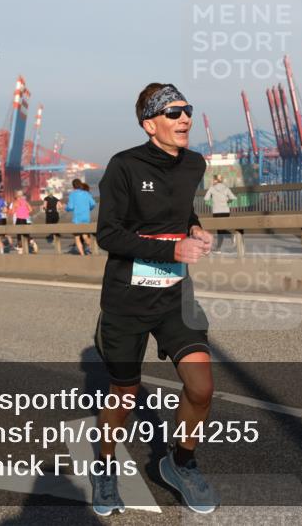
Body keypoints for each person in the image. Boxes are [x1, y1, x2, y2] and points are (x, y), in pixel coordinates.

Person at [91, 83, 217, 516]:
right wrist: (172, 249)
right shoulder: (123, 166)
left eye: (187, 110)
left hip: (174, 298)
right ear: (150, 124)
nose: (185, 119)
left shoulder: (195, 164)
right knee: (124, 393)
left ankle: (179, 461)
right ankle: (105, 466)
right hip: (127, 300)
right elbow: (108, 233)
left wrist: (195, 229)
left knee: (201, 387)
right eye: (173, 113)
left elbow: (180, 212)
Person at [204, 175, 237, 252]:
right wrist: (228, 201)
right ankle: (228, 238)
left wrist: (213, 198)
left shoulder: (212, 188)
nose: (212, 181)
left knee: (220, 230)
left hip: (216, 211)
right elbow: (233, 197)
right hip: (226, 211)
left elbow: (206, 198)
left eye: (213, 180)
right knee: (221, 229)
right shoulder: (226, 188)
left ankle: (220, 247)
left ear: (216, 180)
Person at [66, 178, 97, 256]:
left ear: (73, 186)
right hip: (86, 218)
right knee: (85, 236)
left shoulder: (72, 195)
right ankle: (92, 250)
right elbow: (93, 204)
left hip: (77, 219)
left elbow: (70, 207)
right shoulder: (86, 194)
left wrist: (66, 208)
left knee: (77, 237)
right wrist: (88, 209)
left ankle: (82, 254)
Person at [10, 189, 38, 254]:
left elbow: (12, 212)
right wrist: (25, 212)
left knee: (19, 236)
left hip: (18, 220)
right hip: (26, 219)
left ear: (16, 196)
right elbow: (31, 210)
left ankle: (21, 250)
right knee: (26, 234)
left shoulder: (14, 203)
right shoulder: (25, 202)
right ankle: (32, 243)